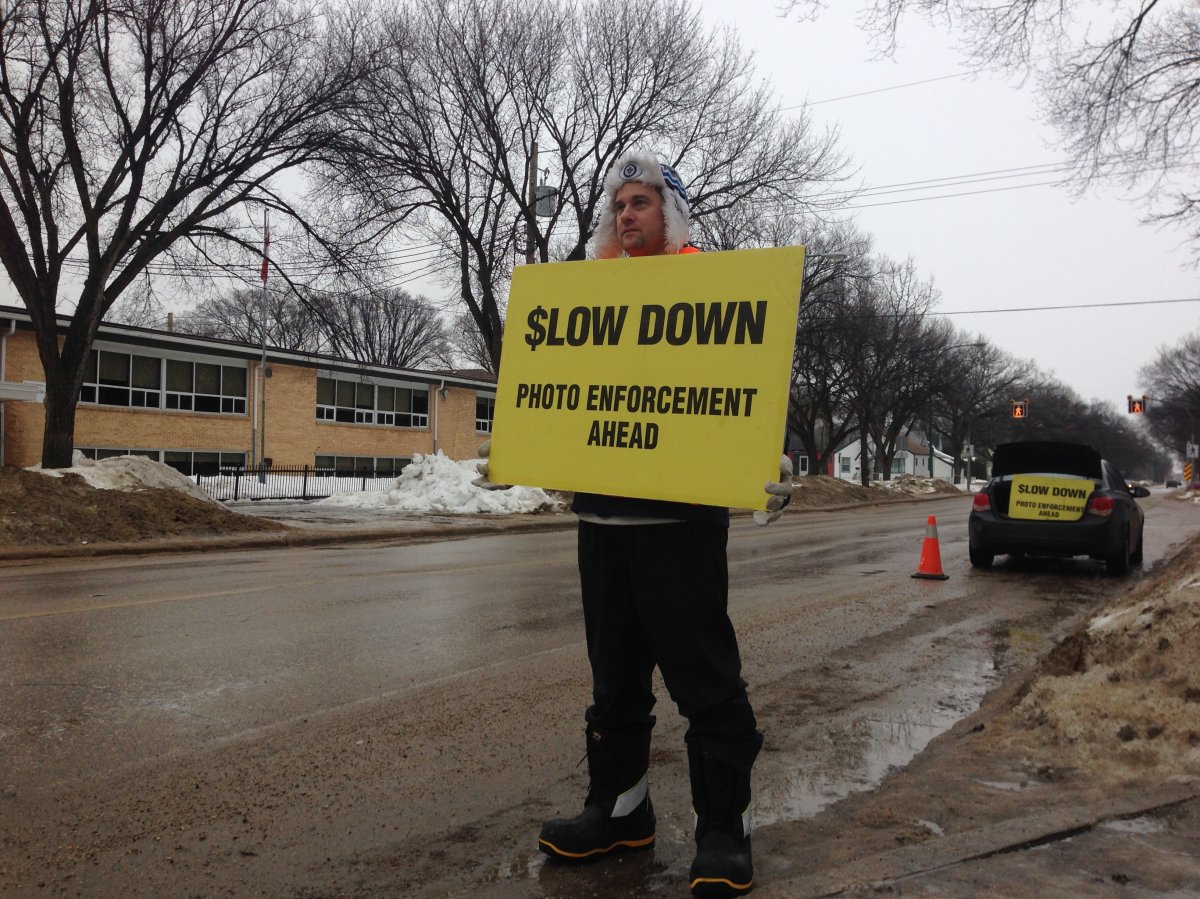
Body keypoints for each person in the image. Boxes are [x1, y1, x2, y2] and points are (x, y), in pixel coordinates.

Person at [477, 149, 791, 898]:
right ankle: (618, 810)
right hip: (602, 523)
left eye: (640, 202)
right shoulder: (586, 297)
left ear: (670, 212)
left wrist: (760, 458)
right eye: (617, 205)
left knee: (704, 680)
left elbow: (738, 394)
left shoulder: (711, 288)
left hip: (679, 525)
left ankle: (724, 827)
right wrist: (525, 431)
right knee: (614, 682)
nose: (625, 215)